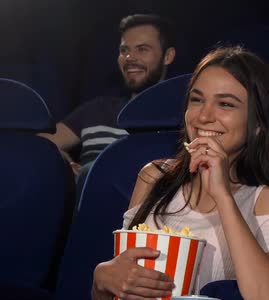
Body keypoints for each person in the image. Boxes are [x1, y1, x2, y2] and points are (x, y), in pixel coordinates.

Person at [37, 46, 269, 300]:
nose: (204, 116)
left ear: (259, 123)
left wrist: (223, 195)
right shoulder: (154, 176)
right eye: (197, 100)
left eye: (226, 104)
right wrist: (104, 282)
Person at [40, 13, 177, 177]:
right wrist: (65, 164)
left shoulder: (183, 118)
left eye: (142, 49)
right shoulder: (97, 109)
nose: (129, 57)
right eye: (124, 50)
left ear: (168, 56)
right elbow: (40, 142)